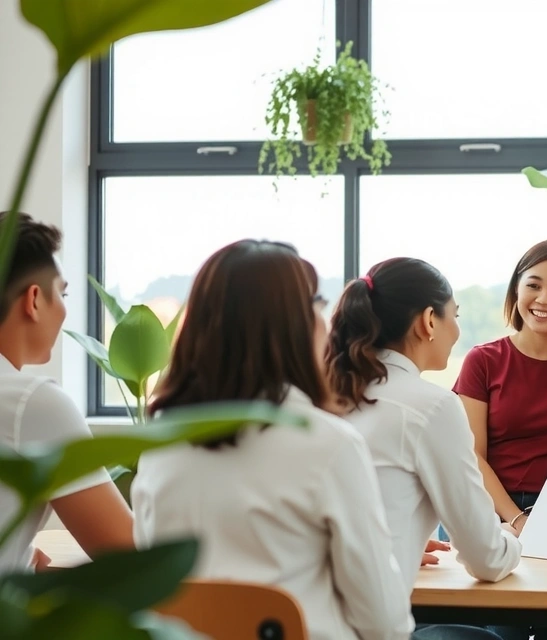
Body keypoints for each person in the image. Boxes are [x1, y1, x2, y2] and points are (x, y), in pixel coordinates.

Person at [131, 240, 412, 640]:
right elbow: (385, 624)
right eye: (317, 305)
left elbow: (153, 587)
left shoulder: (160, 443)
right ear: (295, 324)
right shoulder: (329, 444)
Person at [324, 257, 520, 640]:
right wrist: (515, 539)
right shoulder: (432, 406)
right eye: (454, 315)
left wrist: (402, 541)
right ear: (429, 321)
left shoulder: (328, 394)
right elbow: (487, 558)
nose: (456, 330)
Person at [453, 239, 547, 640]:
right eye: (534, 285)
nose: (543, 299)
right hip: (489, 512)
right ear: (517, 288)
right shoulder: (483, 360)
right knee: (505, 631)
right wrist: (516, 520)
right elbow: (473, 455)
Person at [0, 211, 133, 572]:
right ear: (33, 300)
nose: (64, 309)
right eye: (63, 293)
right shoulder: (32, 403)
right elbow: (129, 556)